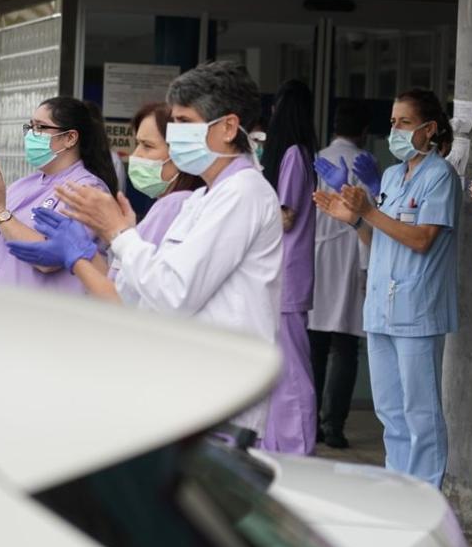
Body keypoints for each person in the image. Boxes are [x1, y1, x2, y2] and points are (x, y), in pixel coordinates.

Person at [31, 61, 284, 435]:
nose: (176, 133)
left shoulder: (244, 193)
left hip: (220, 403)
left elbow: (174, 292)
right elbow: (141, 296)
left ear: (229, 127)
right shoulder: (202, 197)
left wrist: (118, 233)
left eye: (184, 122)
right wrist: (108, 246)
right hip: (187, 395)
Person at [314, 88, 460, 488]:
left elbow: (421, 239)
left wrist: (369, 211)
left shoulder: (440, 176)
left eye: (405, 122)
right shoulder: (393, 176)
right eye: (393, 122)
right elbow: (379, 240)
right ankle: (399, 490)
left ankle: (426, 494)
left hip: (417, 310)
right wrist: (356, 221)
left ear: (429, 129)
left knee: (421, 413)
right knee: (390, 412)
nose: (395, 129)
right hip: (381, 308)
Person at [7, 102, 205, 300]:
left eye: (147, 146)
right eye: (137, 145)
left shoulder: (174, 204)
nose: (136, 155)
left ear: (180, 151)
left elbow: (126, 294)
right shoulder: (177, 203)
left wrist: (112, 236)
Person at [0, 96, 117, 293]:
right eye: (30, 127)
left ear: (70, 138)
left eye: (41, 127)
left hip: (44, 320)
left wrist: (0, 212)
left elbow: (48, 259)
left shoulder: (87, 190)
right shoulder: (21, 186)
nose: (32, 134)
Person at [308, 100, 376, 450]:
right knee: (346, 346)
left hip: (319, 257)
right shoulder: (366, 164)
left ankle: (310, 422)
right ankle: (333, 425)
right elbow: (376, 212)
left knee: (316, 345)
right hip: (353, 256)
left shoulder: (317, 157)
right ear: (363, 131)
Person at [259, 79, 320, 455]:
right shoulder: (290, 154)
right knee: (279, 371)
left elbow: (285, 216)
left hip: (288, 276)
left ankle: (300, 448)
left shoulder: (294, 155)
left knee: (294, 373)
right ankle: (279, 446)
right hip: (279, 276)